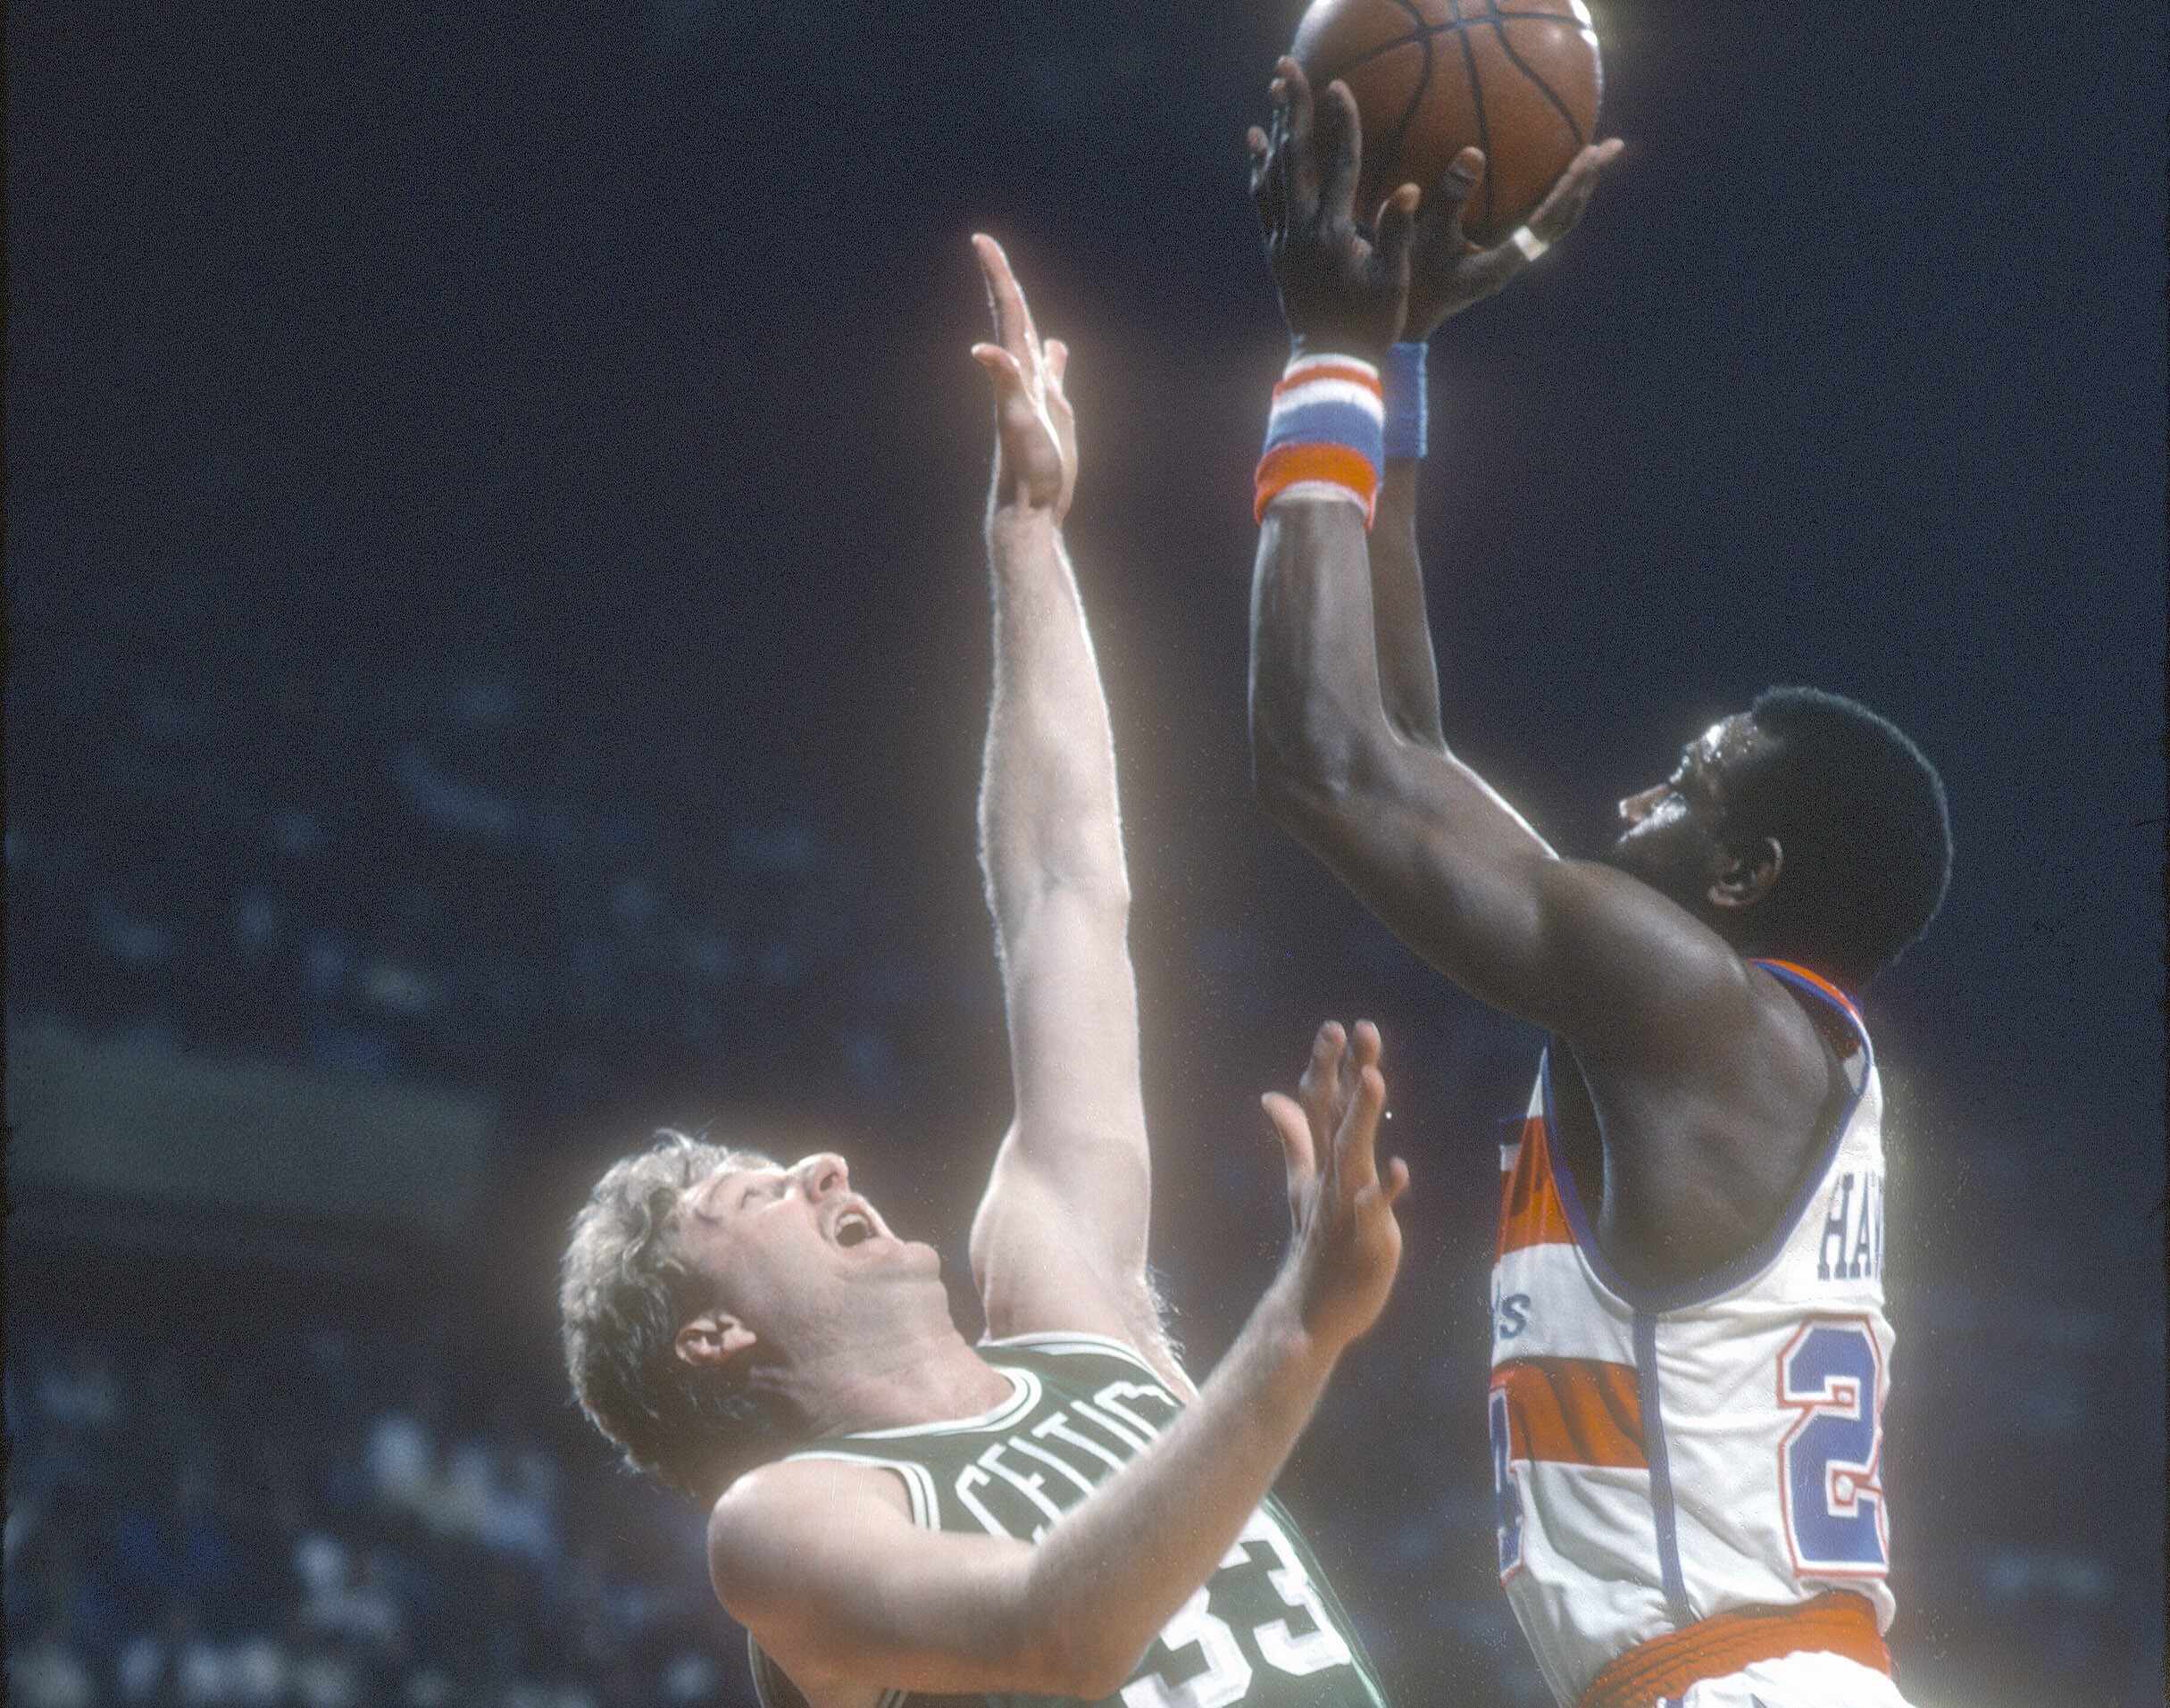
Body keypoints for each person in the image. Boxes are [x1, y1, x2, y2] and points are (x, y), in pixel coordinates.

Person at [559, 236, 1406, 1708]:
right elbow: (1050, 1636)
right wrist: (1297, 1322)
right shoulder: (788, 1523)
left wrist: (1027, 526)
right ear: (710, 1334)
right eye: (750, 1195)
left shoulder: (1067, 1296)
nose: (819, 1162)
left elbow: (1065, 892)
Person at [1242, 60, 1950, 1708]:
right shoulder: (1724, 1035)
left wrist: (1323, 342)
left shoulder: (1697, 1012)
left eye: (1686, 786)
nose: (1635, 794)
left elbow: (1325, 761)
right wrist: (1400, 346)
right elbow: (1401, 737)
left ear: (1744, 871)